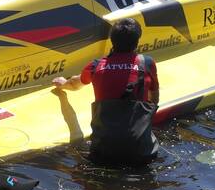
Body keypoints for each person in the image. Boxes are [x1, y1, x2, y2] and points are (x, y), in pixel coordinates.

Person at [52, 18, 160, 165]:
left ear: (112, 40)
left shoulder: (96, 66)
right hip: (141, 153)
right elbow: (154, 101)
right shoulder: (147, 63)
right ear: (137, 41)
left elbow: (75, 84)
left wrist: (63, 85)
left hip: (102, 153)